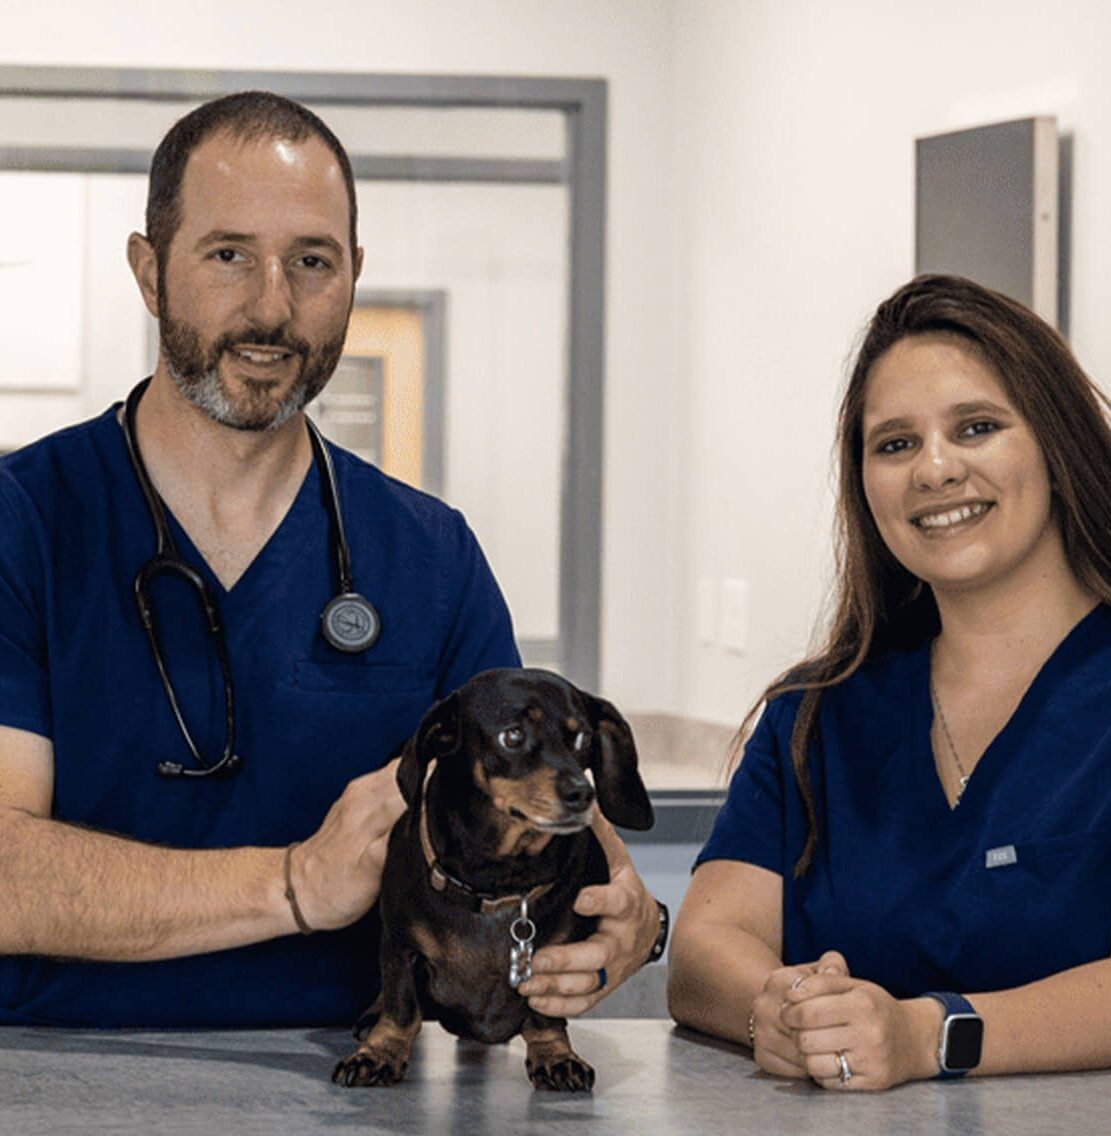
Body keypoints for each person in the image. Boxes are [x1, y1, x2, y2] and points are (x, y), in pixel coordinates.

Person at [0, 91, 663, 1028]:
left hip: (358, 1093)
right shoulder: (23, 518)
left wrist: (631, 914)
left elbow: (530, 783)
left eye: (310, 262)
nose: (271, 307)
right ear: (150, 273)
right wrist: (292, 883)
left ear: (352, 273)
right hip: (48, 1086)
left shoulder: (431, 557)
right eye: (227, 254)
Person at [668, 274, 1111, 1090]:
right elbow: (702, 949)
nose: (934, 470)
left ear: (1056, 445)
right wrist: (785, 1013)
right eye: (894, 443)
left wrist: (925, 1033)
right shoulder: (817, 713)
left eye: (976, 427)